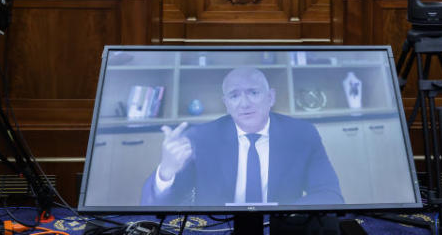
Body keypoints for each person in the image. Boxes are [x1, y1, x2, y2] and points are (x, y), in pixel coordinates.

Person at [140, 67, 343, 207]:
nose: (244, 104)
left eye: (253, 92)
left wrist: (280, 215)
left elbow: (330, 194)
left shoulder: (302, 134)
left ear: (270, 97)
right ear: (226, 103)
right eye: (234, 96)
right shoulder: (201, 138)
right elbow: (156, 205)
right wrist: (166, 171)